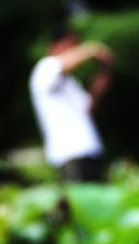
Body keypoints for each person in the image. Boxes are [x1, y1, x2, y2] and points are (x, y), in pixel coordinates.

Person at [29, 24, 113, 182]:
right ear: (55, 45)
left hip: (90, 149)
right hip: (69, 153)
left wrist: (101, 80)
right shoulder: (44, 67)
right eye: (72, 45)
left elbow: (88, 108)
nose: (75, 50)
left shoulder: (71, 81)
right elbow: (64, 63)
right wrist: (93, 49)